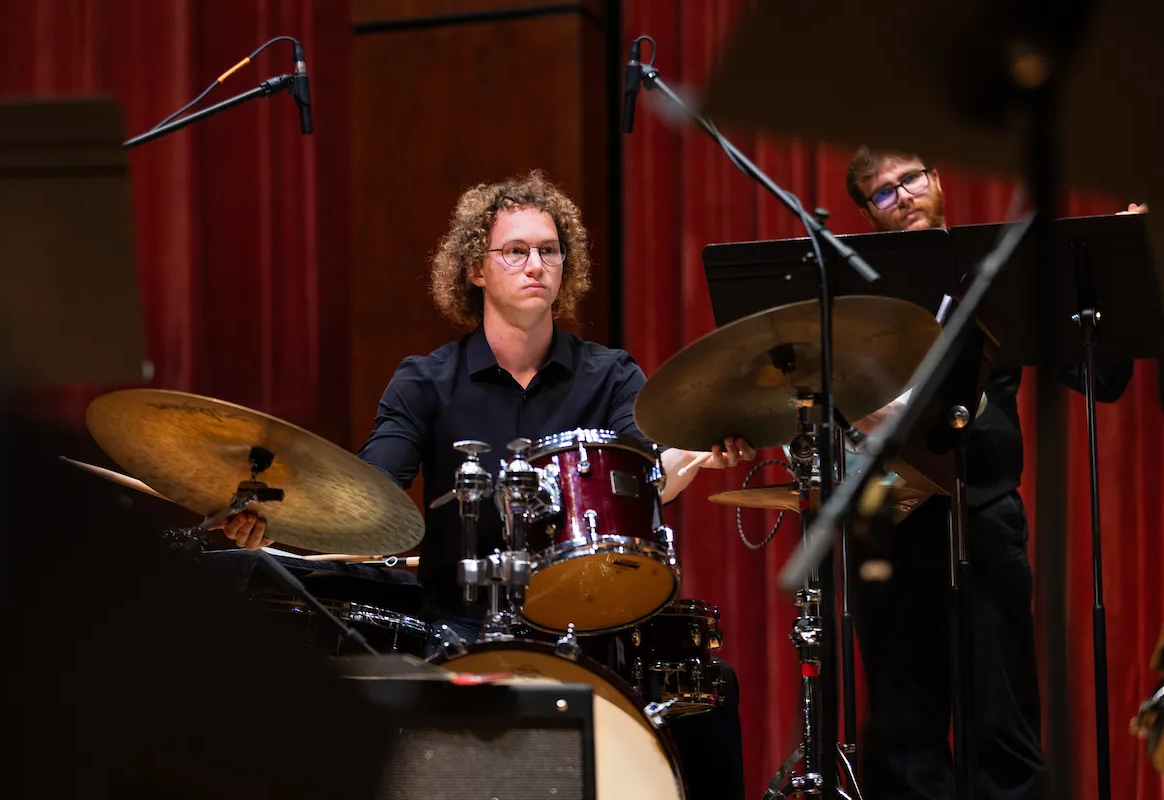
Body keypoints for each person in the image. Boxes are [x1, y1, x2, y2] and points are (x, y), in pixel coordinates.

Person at [222, 170, 754, 799]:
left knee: (709, 690)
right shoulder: (425, 382)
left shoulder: (610, 376)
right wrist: (277, 524)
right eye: (516, 251)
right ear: (476, 268)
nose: (537, 264)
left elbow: (642, 479)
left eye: (549, 250)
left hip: (588, 627)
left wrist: (693, 456)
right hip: (457, 623)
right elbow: (366, 497)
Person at [844, 146, 1136, 800]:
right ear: (866, 212)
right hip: (887, 531)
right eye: (882, 193)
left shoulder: (996, 273)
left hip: (983, 518)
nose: (903, 196)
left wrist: (1118, 272)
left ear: (939, 180)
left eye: (910, 179)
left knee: (1001, 735)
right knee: (905, 745)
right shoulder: (856, 296)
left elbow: (1101, 377)